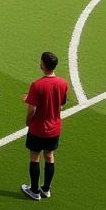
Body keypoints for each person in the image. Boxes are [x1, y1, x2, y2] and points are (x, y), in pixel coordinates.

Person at [22, 51, 69, 201]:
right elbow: (60, 104)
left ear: (43, 64)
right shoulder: (63, 83)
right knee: (49, 156)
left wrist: (28, 121)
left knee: (34, 157)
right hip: (54, 128)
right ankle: (46, 189)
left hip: (38, 128)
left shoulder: (37, 85)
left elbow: (32, 108)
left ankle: (34, 190)